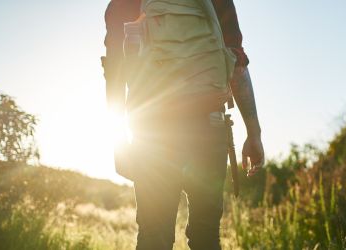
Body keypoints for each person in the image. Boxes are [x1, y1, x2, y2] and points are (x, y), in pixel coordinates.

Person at [101, 0, 264, 249]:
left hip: (152, 135)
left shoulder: (124, 3)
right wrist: (254, 133)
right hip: (209, 129)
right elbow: (236, 63)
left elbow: (115, 69)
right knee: (206, 237)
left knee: (153, 237)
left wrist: (118, 138)